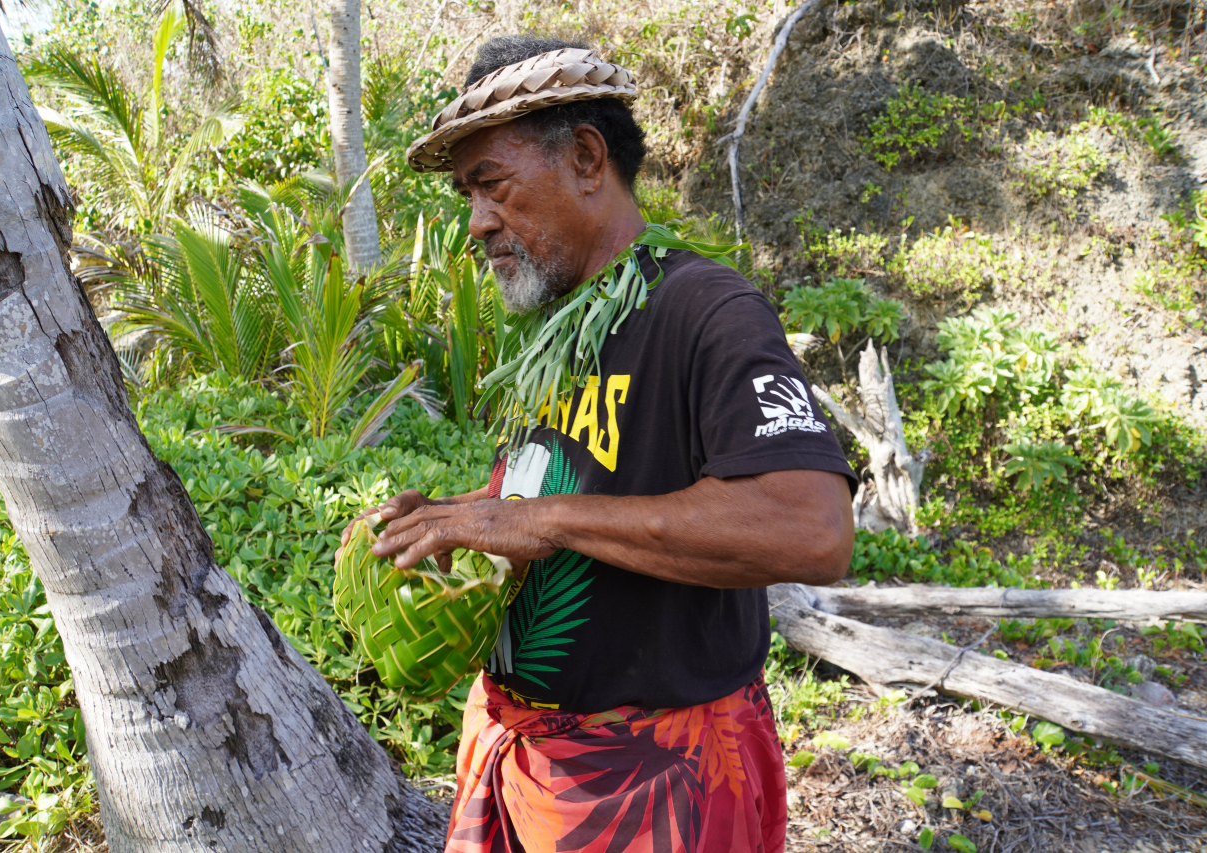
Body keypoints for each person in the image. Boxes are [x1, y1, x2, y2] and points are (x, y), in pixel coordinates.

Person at [340, 35, 857, 853]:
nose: (476, 223)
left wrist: (540, 522)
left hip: (655, 785)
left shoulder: (705, 310)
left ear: (586, 157)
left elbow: (811, 528)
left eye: (493, 186)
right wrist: (456, 520)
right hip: (527, 763)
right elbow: (574, 489)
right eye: (466, 195)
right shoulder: (558, 327)